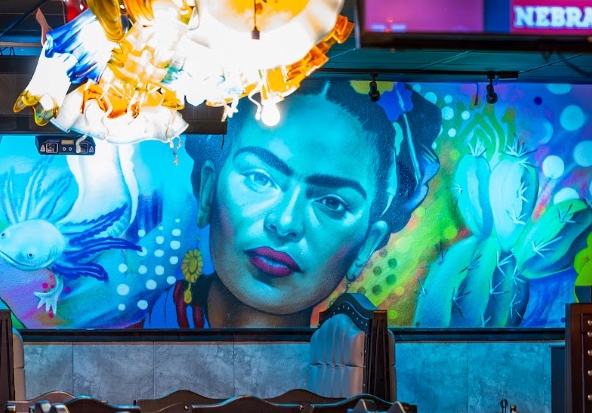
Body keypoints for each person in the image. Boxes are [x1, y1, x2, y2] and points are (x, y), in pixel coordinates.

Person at [148, 81, 441, 329]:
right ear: (208, 189)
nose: (285, 222)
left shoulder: (348, 363)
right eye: (260, 179)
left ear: (368, 243)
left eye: (332, 203)